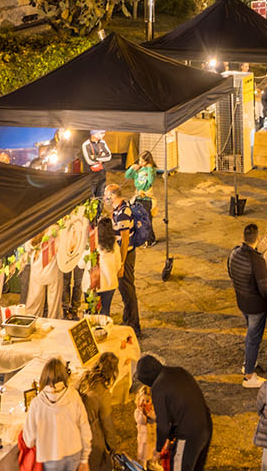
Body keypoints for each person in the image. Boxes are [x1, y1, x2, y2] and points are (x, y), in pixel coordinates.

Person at [134, 355, 213, 471]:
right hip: (206, 425)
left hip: (187, 434)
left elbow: (163, 424)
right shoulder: (179, 371)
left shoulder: (158, 386)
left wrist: (158, 449)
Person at [229, 222, 267, 388]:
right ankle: (249, 375)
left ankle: (248, 361)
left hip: (242, 301)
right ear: (257, 238)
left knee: (250, 334)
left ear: (243, 237)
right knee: (253, 338)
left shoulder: (234, 253)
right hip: (256, 306)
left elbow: (230, 273)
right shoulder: (257, 261)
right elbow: (264, 289)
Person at [24, 357, 91, 471]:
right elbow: (84, 427)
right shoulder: (73, 395)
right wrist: (85, 458)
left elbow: (29, 440)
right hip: (74, 452)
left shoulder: (36, 403)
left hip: (50, 457)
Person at [106, 184, 143, 335]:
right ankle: (128, 319)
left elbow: (125, 240)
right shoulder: (121, 207)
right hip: (124, 255)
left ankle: (133, 324)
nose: (104, 198)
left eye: (106, 195)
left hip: (125, 256)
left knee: (127, 289)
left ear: (113, 196)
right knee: (125, 289)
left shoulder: (122, 213)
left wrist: (121, 263)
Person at [79, 353, 124, 471]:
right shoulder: (103, 394)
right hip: (92, 436)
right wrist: (112, 446)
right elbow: (107, 423)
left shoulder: (84, 378)